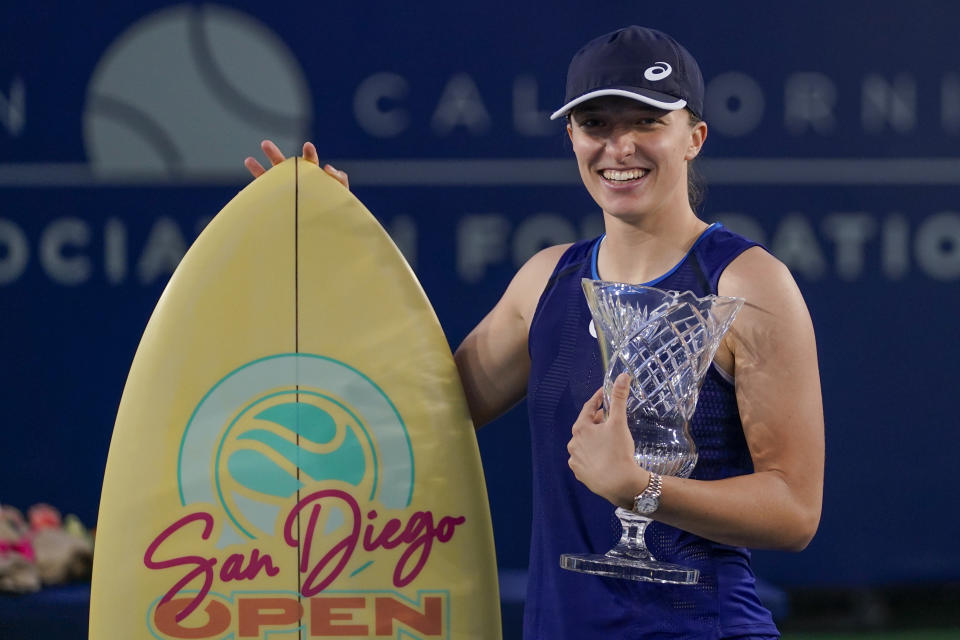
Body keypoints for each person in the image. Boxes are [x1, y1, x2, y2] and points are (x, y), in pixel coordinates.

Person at [246, 25, 824, 640]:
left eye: (648, 122)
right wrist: (334, 250)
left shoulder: (748, 284)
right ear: (571, 137)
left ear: (694, 138)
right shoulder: (544, 281)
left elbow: (794, 511)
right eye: (596, 124)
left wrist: (643, 490)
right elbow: (415, 407)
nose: (619, 146)